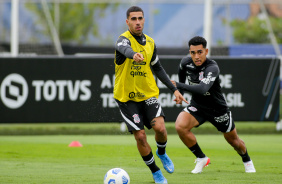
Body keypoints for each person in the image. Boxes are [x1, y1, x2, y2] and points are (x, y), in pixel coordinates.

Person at [113, 6, 188, 184]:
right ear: (127, 22)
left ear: (144, 20)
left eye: (140, 18)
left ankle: (161, 152)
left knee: (161, 129)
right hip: (127, 98)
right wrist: (134, 55)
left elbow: (158, 68)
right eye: (133, 19)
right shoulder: (122, 40)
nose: (137, 22)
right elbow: (125, 50)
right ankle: (155, 172)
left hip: (148, 94)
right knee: (140, 136)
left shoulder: (151, 43)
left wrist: (175, 90)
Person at [171, 36, 256, 174]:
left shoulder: (212, 67)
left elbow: (202, 89)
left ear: (206, 51)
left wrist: (178, 85)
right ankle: (201, 158)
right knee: (180, 126)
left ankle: (247, 160)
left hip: (217, 109)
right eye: (193, 53)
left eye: (200, 52)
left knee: (234, 141)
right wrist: (180, 93)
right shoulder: (185, 63)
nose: (196, 56)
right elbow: (181, 73)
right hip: (198, 106)